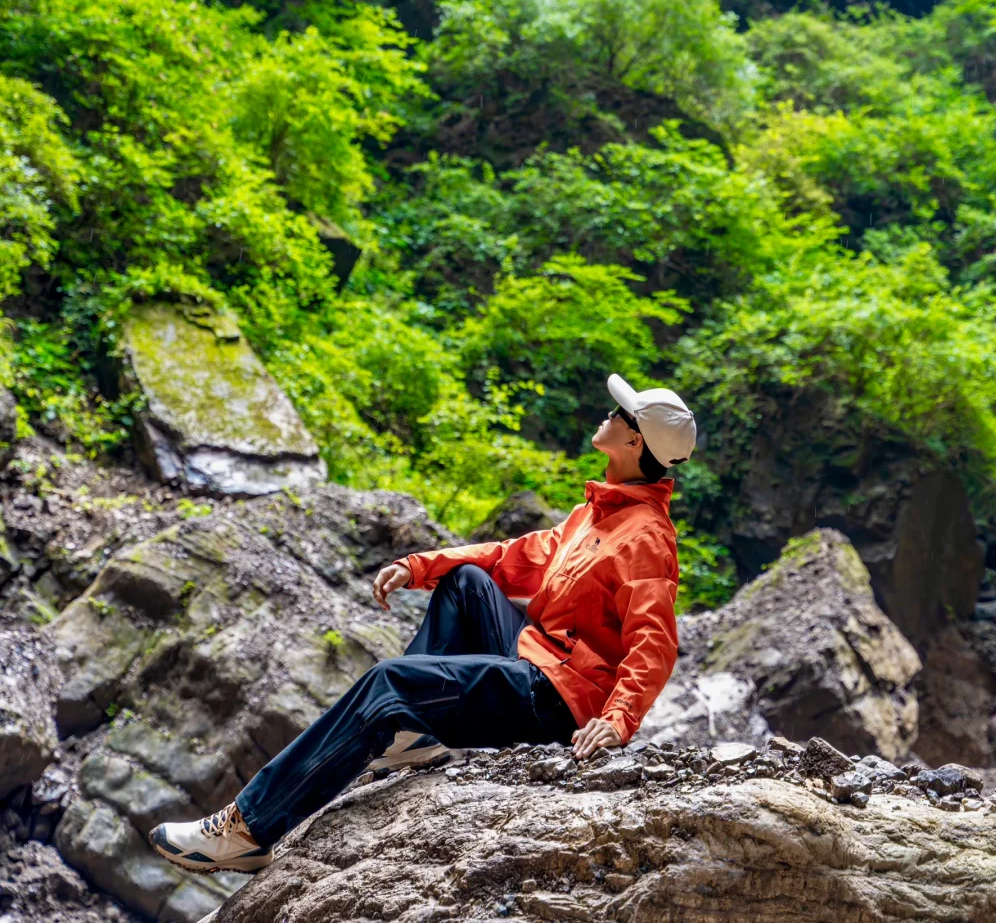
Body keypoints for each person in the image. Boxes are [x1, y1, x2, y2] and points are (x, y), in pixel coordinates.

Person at [149, 373, 696, 874]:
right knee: (466, 582)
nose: (608, 414)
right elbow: (513, 557)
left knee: (390, 684)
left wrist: (619, 719)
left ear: (634, 444)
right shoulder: (594, 514)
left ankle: (247, 830)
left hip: (555, 700)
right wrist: (419, 566)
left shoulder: (647, 537)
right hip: (534, 659)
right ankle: (417, 735)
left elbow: (654, 641)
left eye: (620, 415)